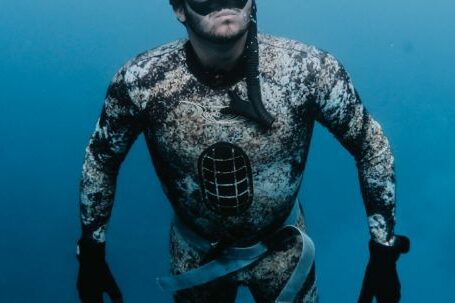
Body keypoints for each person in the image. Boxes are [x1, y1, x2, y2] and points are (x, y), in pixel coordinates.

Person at [76, 0, 410, 302]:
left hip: (284, 251)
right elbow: (102, 159)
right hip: (195, 252)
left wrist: (383, 248)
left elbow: (370, 144)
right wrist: (91, 251)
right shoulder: (142, 83)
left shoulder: (307, 72)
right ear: (179, 8)